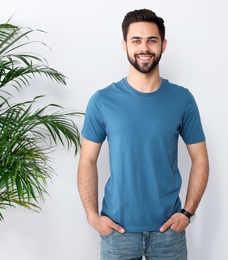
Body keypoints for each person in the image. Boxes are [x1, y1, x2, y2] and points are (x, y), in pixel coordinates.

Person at [77, 8, 209, 260]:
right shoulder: (102, 101)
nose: (144, 47)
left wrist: (187, 213)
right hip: (117, 232)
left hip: (169, 232)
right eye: (136, 40)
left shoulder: (182, 99)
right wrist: (92, 216)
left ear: (163, 45)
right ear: (124, 44)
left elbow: (200, 159)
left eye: (152, 40)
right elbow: (87, 160)